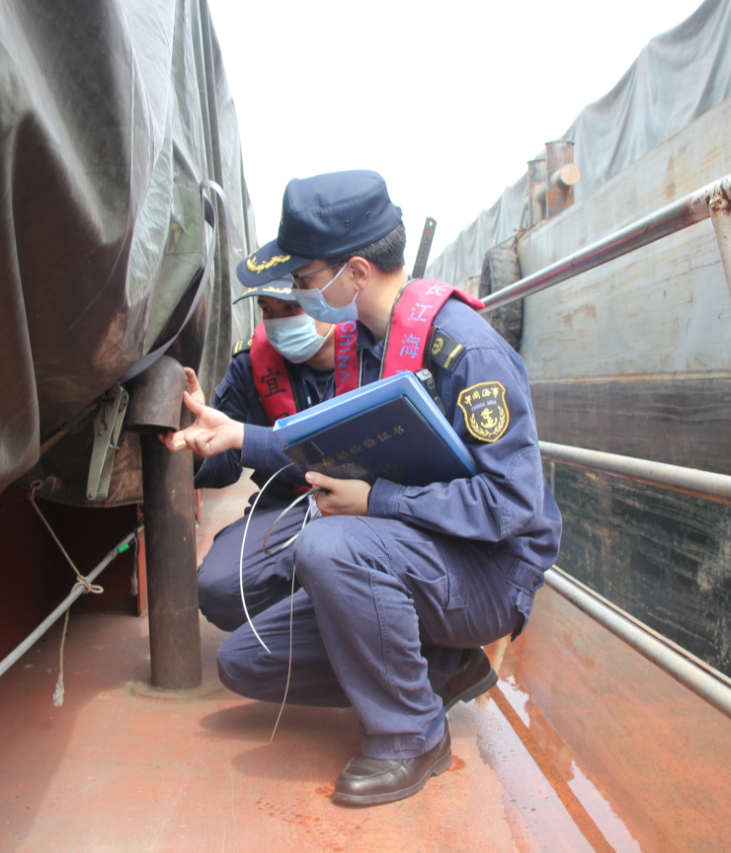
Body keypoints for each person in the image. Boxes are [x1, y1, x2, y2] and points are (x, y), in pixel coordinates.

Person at [163, 170, 562, 807]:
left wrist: (378, 502)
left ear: (353, 273)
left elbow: (513, 505)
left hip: (489, 571)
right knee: (247, 660)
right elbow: (320, 446)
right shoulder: (365, 346)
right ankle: (439, 664)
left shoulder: (464, 351)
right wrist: (236, 434)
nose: (297, 293)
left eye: (302, 279)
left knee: (328, 547)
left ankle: (412, 734)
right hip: (412, 546)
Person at [181, 281, 349, 632]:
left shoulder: (372, 351)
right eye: (267, 310)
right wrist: (196, 439)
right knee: (219, 590)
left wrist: (243, 437)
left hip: (362, 504)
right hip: (285, 505)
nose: (279, 322)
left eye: (291, 308)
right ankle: (311, 613)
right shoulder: (249, 366)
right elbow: (224, 464)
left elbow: (342, 458)